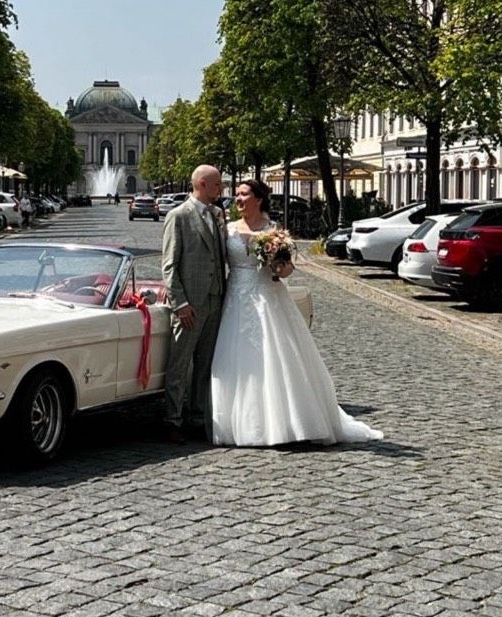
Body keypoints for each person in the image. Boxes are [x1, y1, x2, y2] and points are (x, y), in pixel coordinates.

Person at [211, 179, 383, 447]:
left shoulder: (272, 231)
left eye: (243, 195)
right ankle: (241, 422)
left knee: (274, 354)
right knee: (238, 357)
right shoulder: (228, 229)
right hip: (236, 296)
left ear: (258, 199)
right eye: (236, 196)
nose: (238, 200)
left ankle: (287, 422)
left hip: (266, 295)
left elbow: (287, 267)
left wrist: (279, 267)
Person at [161, 165, 226, 443]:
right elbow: (169, 266)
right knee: (179, 364)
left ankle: (197, 416)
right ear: (201, 183)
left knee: (204, 364)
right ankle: (172, 420)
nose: (221, 190)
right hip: (189, 304)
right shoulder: (179, 216)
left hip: (215, 300)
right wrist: (180, 303)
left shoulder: (216, 214)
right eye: (217, 185)